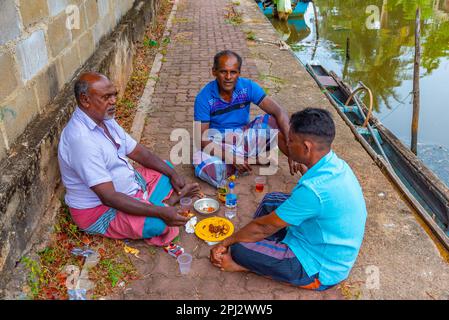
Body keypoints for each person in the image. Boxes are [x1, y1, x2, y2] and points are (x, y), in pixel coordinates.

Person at [210, 108, 367, 290]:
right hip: (320, 235)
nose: (287, 143)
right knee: (271, 200)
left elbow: (264, 226)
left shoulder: (314, 190)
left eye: (291, 141)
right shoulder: (335, 164)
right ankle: (263, 244)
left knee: (239, 249)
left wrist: (226, 242)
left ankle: (249, 263)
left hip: (320, 267)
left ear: (307, 148)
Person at [58, 72, 201, 257]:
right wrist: (161, 213)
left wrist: (173, 174)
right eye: (106, 97)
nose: (113, 101)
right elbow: (108, 197)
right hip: (101, 210)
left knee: (165, 167)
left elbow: (140, 152)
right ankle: (164, 205)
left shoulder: (105, 120)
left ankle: (161, 204)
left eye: (114, 95)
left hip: (130, 185)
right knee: (159, 224)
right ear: (85, 100)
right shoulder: (81, 140)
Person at [193, 50, 300, 187]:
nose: (228, 77)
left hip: (243, 137)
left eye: (233, 72)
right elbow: (202, 139)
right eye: (223, 72)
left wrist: (292, 151)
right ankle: (247, 160)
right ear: (214, 72)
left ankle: (242, 161)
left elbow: (279, 111)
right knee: (205, 165)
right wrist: (230, 157)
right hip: (219, 142)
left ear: (239, 73)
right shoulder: (204, 98)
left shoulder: (247, 87)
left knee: (274, 121)